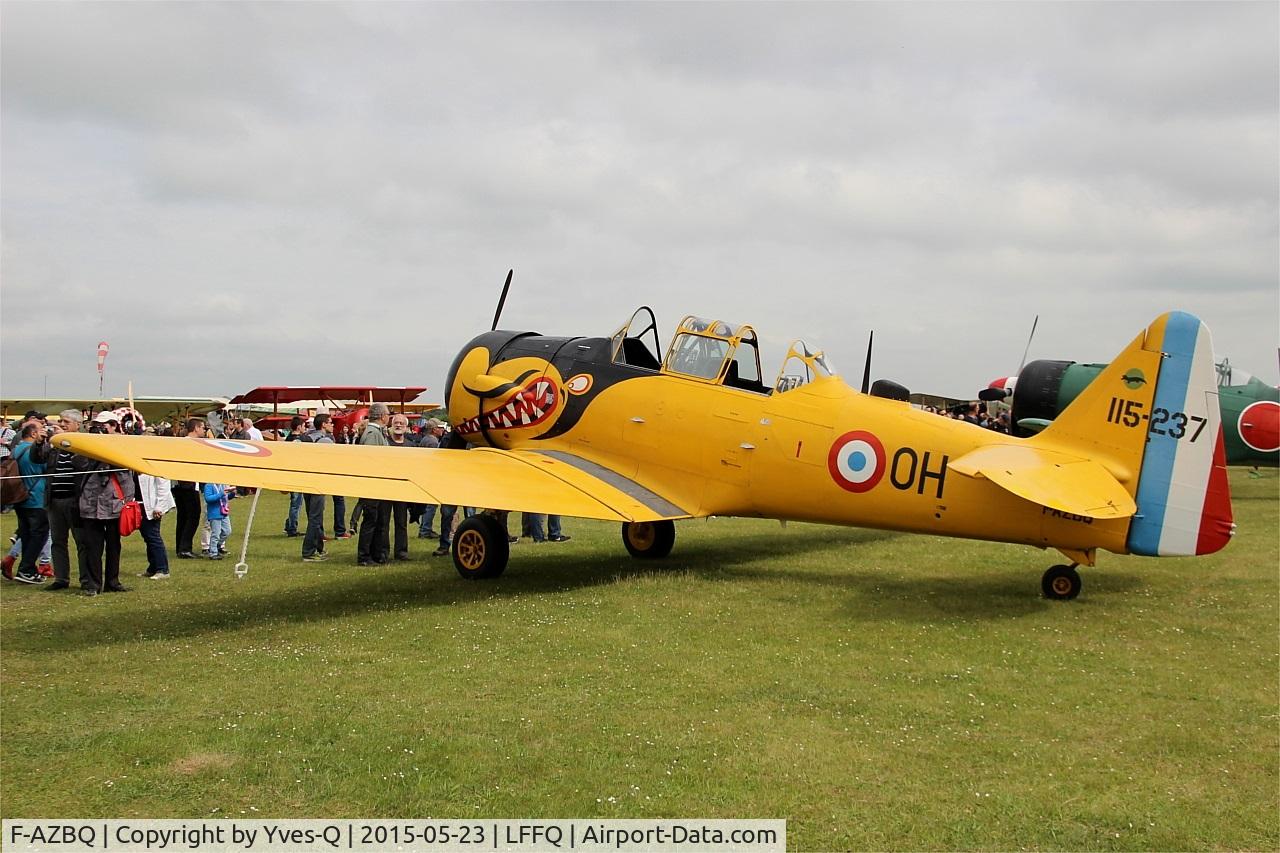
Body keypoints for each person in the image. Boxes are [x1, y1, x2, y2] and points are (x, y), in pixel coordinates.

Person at [77, 412, 132, 596]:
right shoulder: (87, 444)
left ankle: (112, 581)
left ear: (114, 426)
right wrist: (89, 442)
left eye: (104, 426)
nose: (101, 429)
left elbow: (127, 472)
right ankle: (93, 584)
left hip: (114, 502)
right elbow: (78, 463)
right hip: (91, 502)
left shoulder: (122, 444)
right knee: (93, 546)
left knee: (114, 546)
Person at [39, 409, 92, 590]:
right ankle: (61, 579)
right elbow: (38, 458)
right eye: (60, 421)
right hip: (54, 500)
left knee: (82, 542)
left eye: (66, 422)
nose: (61, 424)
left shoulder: (83, 443)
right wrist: (39, 443)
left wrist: (68, 445)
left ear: (78, 425)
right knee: (58, 541)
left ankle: (86, 580)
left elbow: (83, 465)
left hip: (75, 500)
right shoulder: (55, 444)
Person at [9, 422, 49, 584]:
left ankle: (27, 570)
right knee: (39, 534)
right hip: (36, 497)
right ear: (33, 434)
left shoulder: (16, 449)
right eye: (41, 430)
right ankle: (26, 569)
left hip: (19, 497)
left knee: (26, 534)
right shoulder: (32, 451)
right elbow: (46, 466)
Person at [356, 403, 391, 566]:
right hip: (372, 485)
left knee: (377, 520)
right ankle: (364, 556)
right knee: (370, 520)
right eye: (388, 414)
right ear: (382, 416)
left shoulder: (376, 432)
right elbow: (370, 459)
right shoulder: (372, 433)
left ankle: (376, 554)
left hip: (377, 484)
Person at [301, 414, 334, 562]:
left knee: (312, 516)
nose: (332, 425)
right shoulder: (326, 440)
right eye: (330, 423)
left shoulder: (306, 437)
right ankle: (308, 552)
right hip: (318, 482)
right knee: (316, 517)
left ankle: (319, 548)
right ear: (324, 425)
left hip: (306, 481)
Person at [172, 418, 205, 558]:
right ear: (196, 428)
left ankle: (180, 546)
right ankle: (185, 547)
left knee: (183, 516)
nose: (204, 430)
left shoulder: (180, 442)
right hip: (187, 484)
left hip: (179, 484)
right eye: (203, 427)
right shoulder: (191, 444)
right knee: (193, 515)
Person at [385, 413, 417, 561]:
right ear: (391, 426)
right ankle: (383, 552)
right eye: (396, 423)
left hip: (402, 489)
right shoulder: (385, 443)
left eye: (401, 424)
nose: (398, 425)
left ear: (406, 427)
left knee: (401, 522)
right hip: (386, 488)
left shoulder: (411, 445)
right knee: (383, 522)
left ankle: (401, 552)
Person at [137, 469, 174, 579]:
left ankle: (163, 569)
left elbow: (163, 485)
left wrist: (159, 506)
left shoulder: (153, 464)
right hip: (140, 504)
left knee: (153, 536)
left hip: (152, 506)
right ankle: (153, 568)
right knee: (147, 536)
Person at [416, 418, 447, 540]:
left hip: (425, 476)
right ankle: (425, 530)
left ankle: (424, 528)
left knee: (429, 505)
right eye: (440, 427)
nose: (442, 429)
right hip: (430, 477)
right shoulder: (433, 442)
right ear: (434, 430)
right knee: (431, 506)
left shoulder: (426, 439)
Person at [283, 415, 305, 537]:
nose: (304, 428)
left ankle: (289, 524)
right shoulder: (298, 440)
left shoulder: (287, 439)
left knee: (295, 501)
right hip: (296, 474)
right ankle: (292, 528)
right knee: (296, 503)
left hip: (290, 473)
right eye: (303, 426)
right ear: (298, 427)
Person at [202, 480, 234, 560]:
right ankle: (213, 553)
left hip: (223, 511)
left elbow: (226, 497)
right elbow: (208, 499)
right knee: (215, 533)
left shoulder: (222, 484)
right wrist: (221, 494)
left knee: (227, 531)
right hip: (214, 513)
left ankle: (216, 546)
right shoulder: (209, 485)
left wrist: (232, 493)